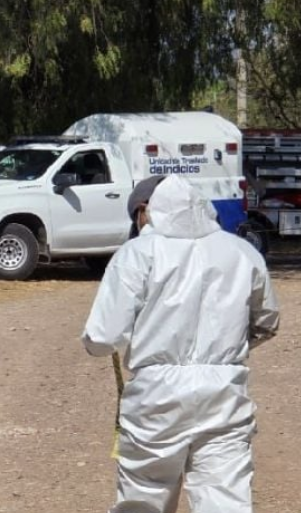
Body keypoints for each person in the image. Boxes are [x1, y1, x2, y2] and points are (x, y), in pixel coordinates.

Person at [81, 175, 280, 513]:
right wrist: (224, 349)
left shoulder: (137, 254)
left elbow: (102, 337)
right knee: (225, 498)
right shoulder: (242, 252)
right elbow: (267, 322)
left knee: (145, 494)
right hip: (224, 392)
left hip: (155, 397)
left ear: (145, 211)